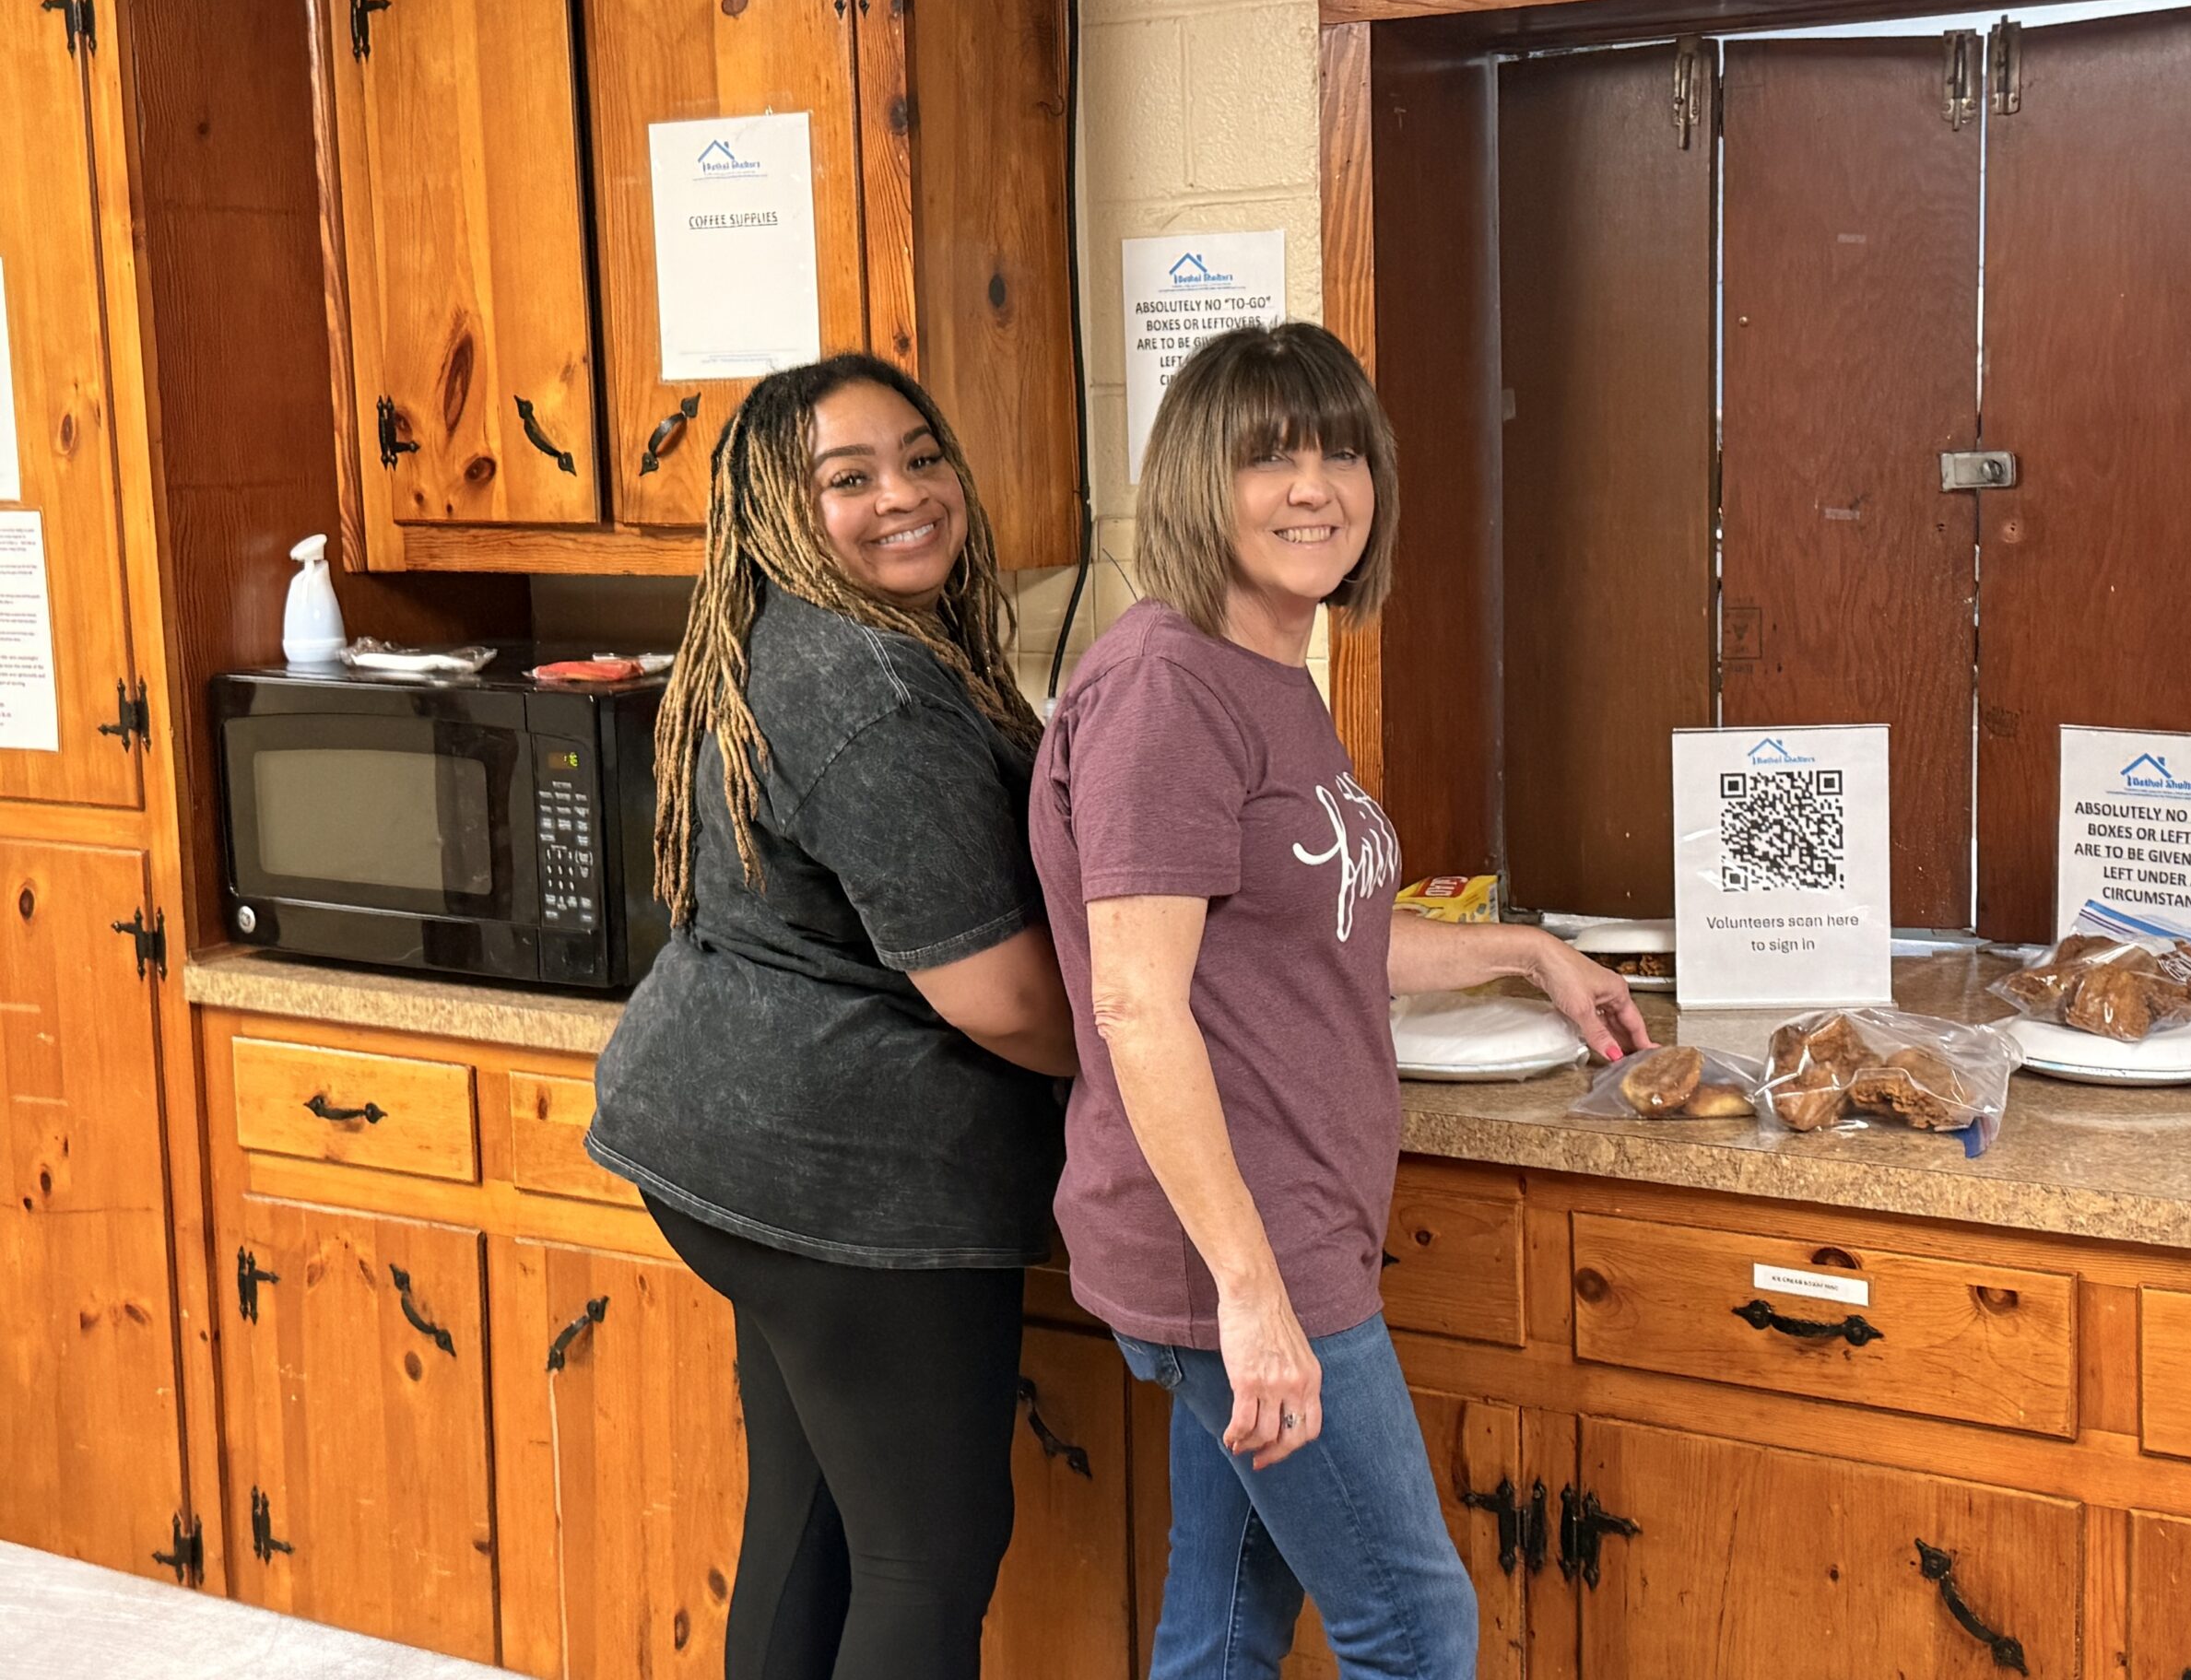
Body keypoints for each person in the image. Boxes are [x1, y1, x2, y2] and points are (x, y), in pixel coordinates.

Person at [1030, 322, 1651, 1679]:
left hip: (1280, 1225)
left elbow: (1323, 930)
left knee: (1226, 1620)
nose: (1316, 487)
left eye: (1343, 453)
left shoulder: (1264, 672)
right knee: (1415, 1630)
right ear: (1200, 482)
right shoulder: (1165, 692)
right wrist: (1254, 1298)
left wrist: (1530, 954)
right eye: (1271, 457)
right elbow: (1139, 1006)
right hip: (1241, 1245)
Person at [589, 353, 1078, 1680]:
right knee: (928, 1557)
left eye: (921, 457)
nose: (904, 495)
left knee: (809, 1524)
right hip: (850, 1181)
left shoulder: (787, 637)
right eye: (847, 479)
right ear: (777, 511)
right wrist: (1146, 1046)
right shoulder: (873, 690)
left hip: (726, 1151)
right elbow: (999, 995)